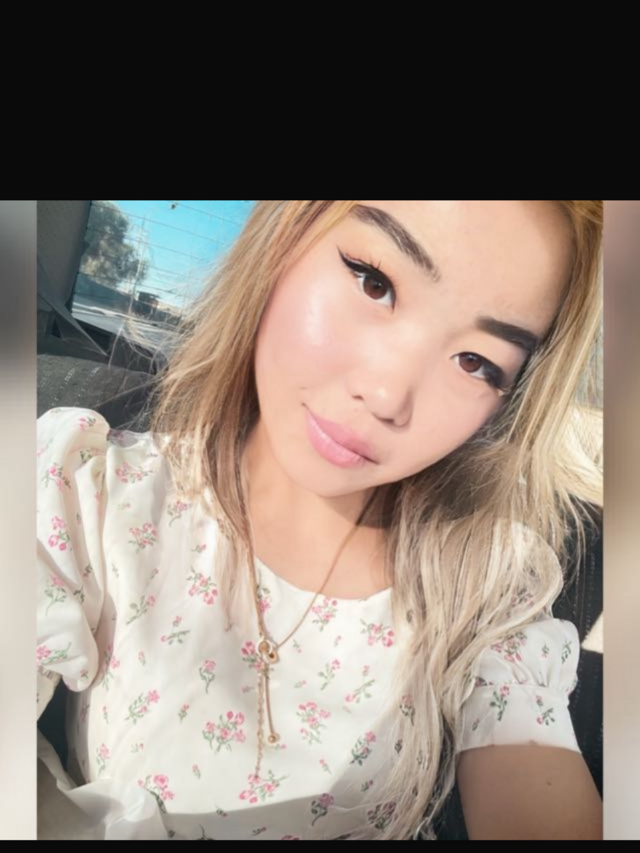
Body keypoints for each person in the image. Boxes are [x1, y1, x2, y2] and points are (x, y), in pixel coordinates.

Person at [37, 200, 603, 840]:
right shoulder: (89, 494)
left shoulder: (482, 588)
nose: (388, 397)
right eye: (374, 282)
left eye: (476, 362)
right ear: (286, 237)